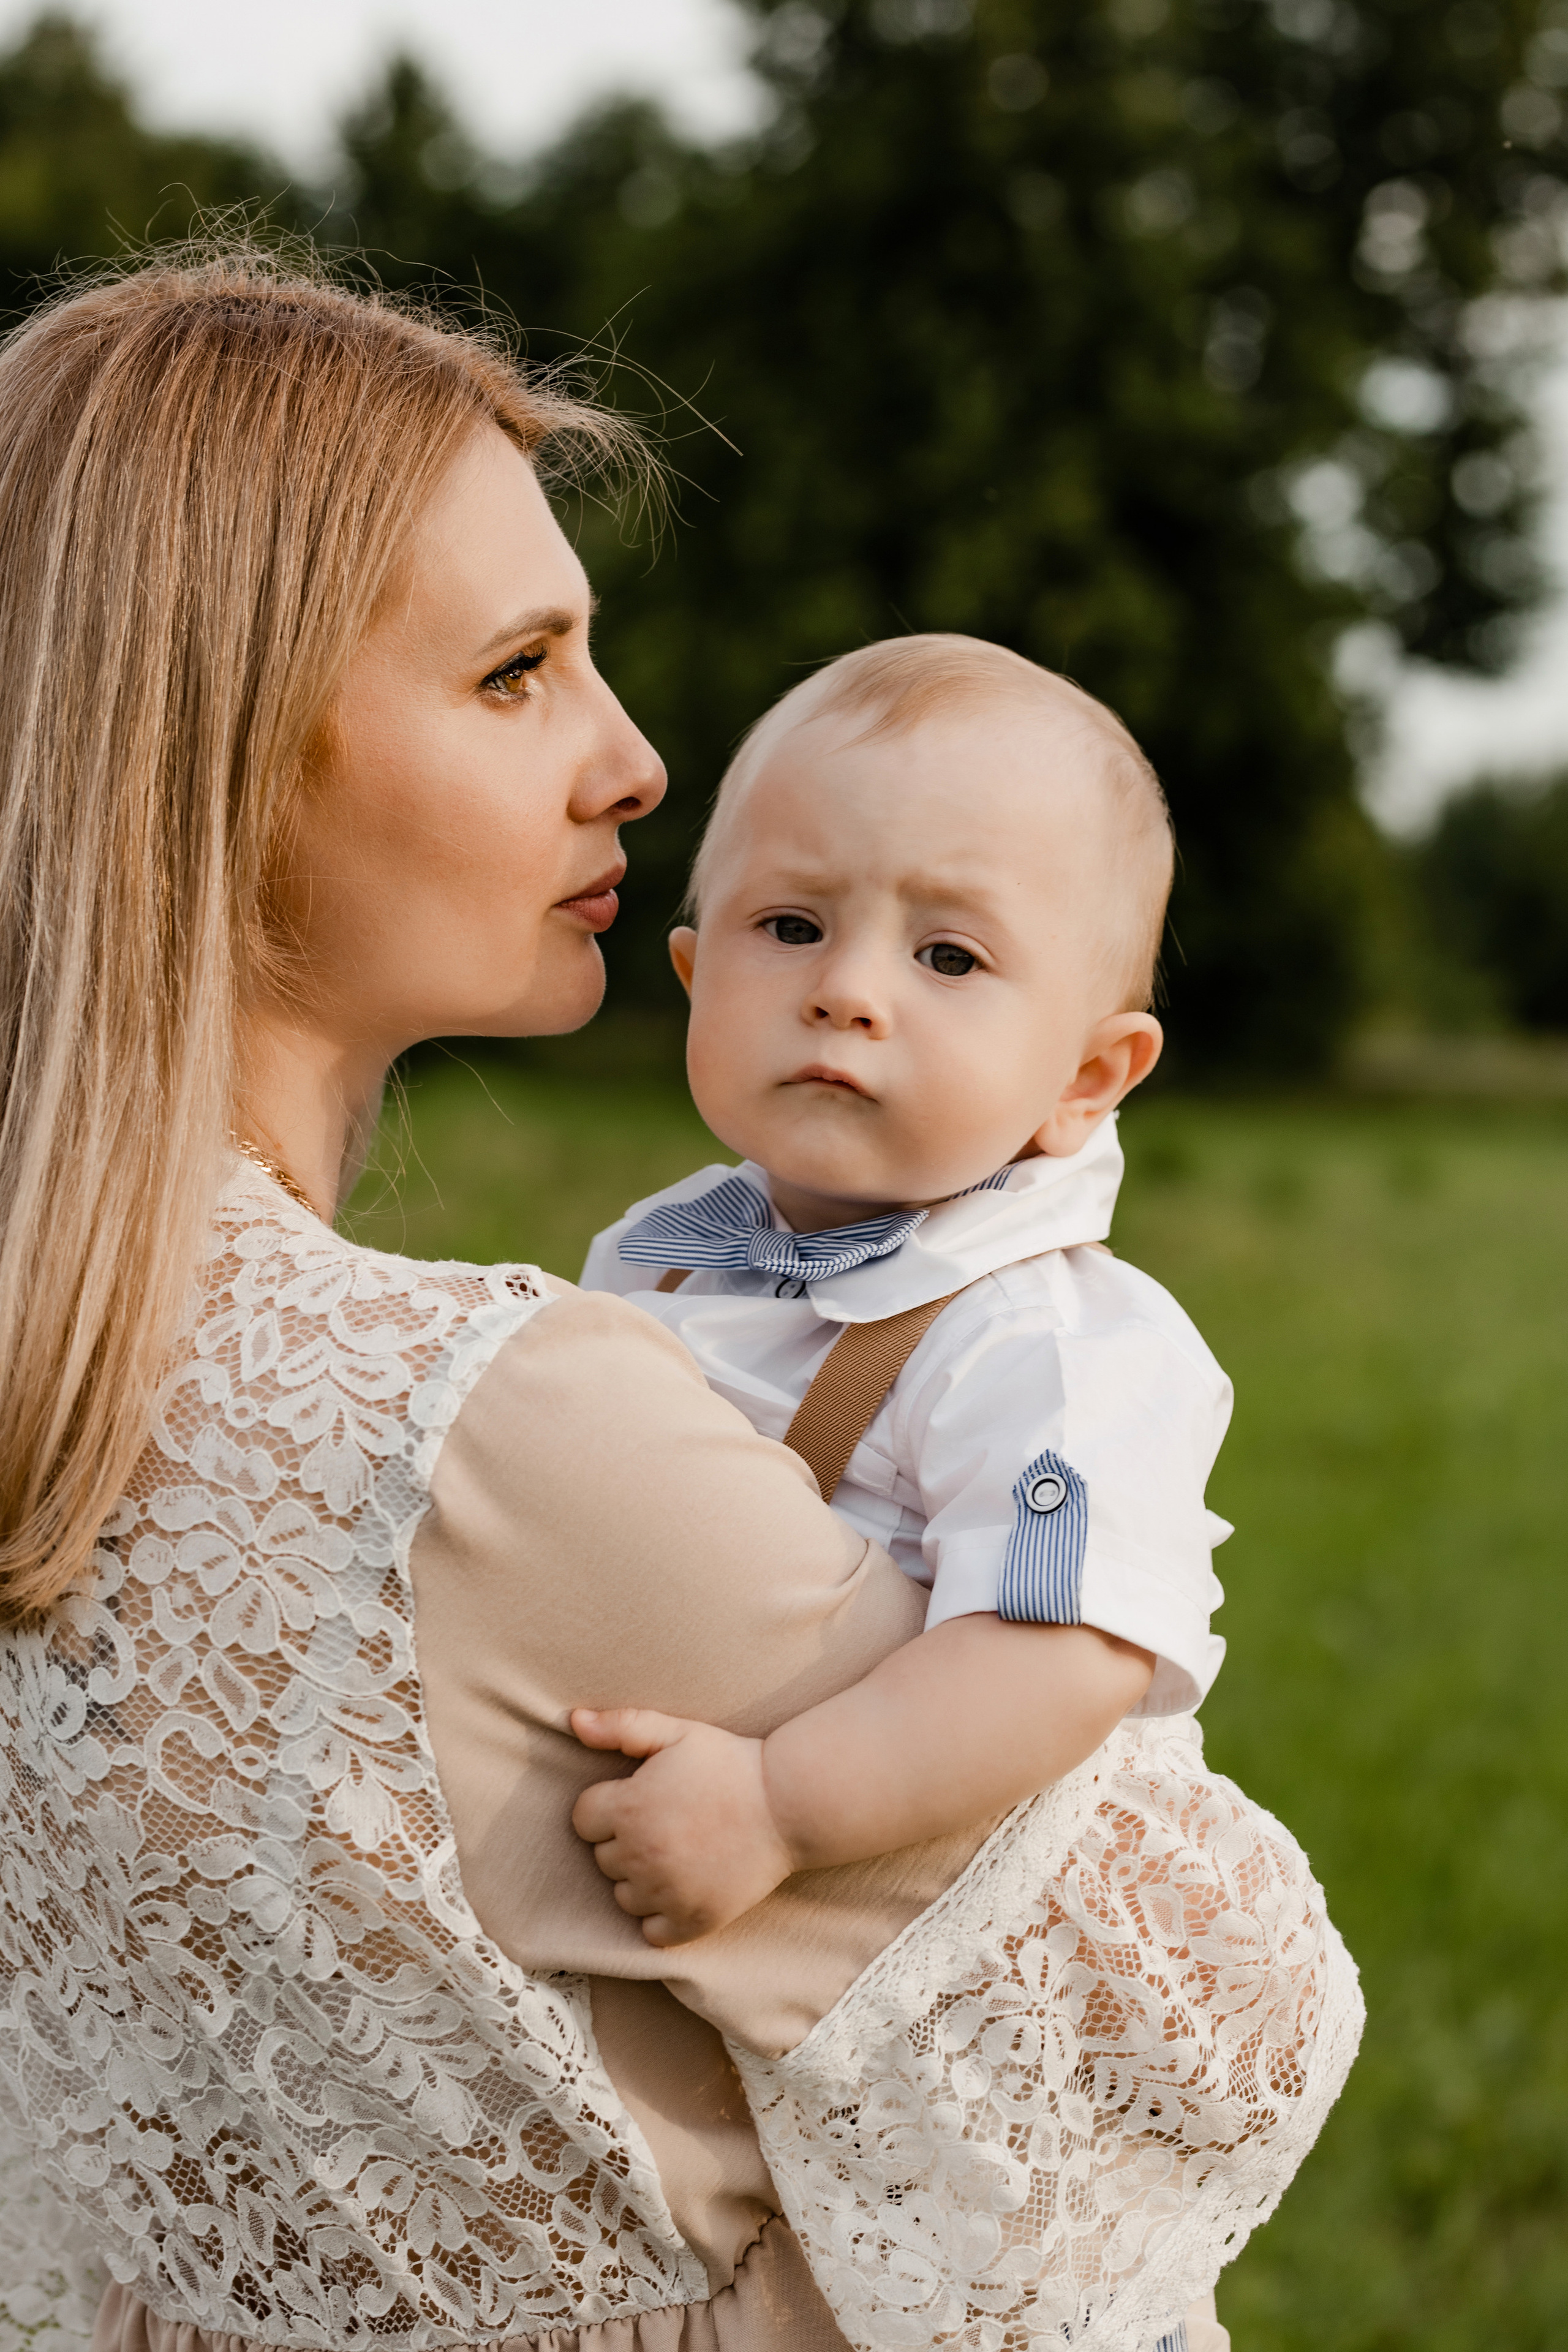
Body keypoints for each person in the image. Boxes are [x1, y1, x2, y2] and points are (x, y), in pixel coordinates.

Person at [0, 250, 1341, 2352]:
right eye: (520, 670)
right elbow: (1218, 2024)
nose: (637, 764)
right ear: (227, 738)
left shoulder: (71, 1357)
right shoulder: (490, 1436)